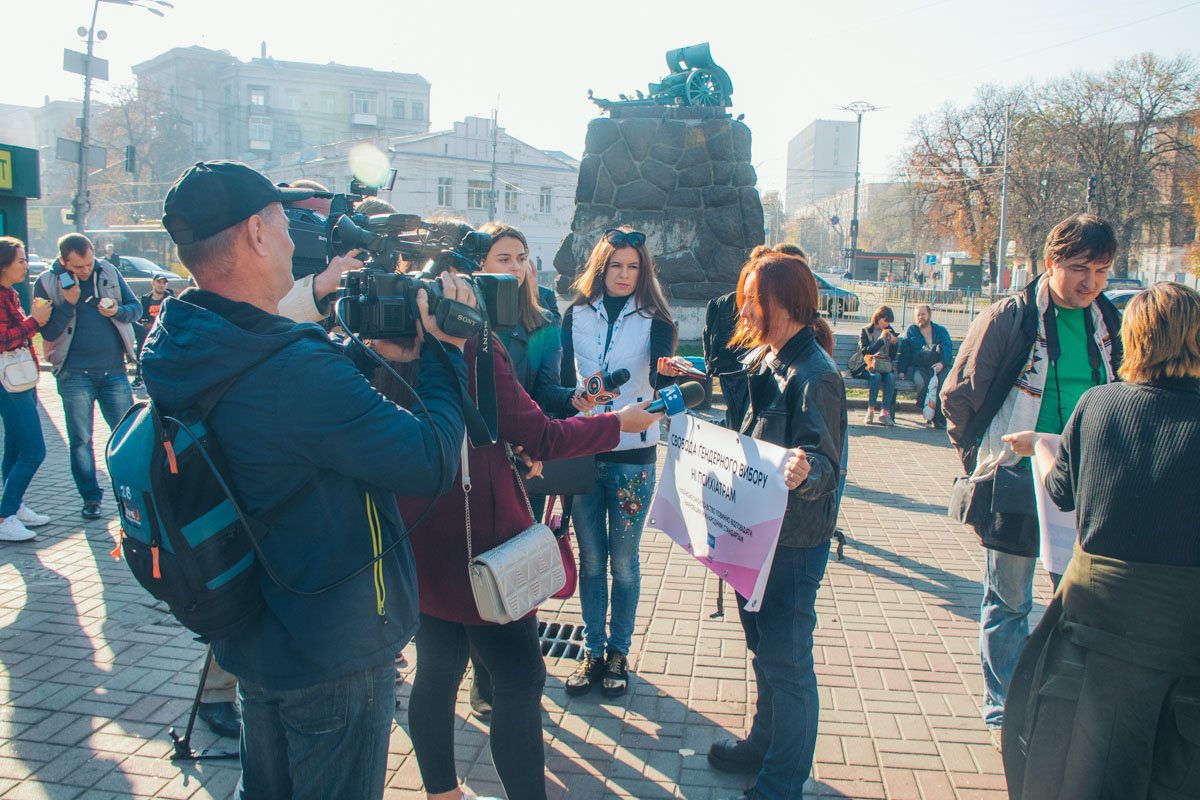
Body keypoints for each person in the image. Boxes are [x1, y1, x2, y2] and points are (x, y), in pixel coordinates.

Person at [142, 160, 471, 799]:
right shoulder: (289, 367)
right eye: (284, 224)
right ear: (256, 236)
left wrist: (365, 361)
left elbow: (287, 413)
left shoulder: (185, 338)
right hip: (332, 646)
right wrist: (445, 356)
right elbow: (428, 459)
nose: (297, 240)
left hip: (255, 628)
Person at [387, 330, 662, 800]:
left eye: (519, 257)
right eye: (505, 258)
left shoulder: (390, 332)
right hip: (483, 550)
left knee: (435, 672)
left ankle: (442, 792)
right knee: (519, 678)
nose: (518, 270)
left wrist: (510, 449)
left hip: (423, 540)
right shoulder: (472, 341)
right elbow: (542, 435)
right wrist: (620, 422)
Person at [997, 282, 1200, 798]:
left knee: (1089, 760)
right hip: (1184, 628)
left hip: (1097, 620)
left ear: (1134, 339)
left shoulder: (1099, 405)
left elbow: (1060, 491)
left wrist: (1044, 444)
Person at [940, 213, 1122, 743]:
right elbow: (958, 397)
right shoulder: (1011, 318)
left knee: (1078, 601)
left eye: (1102, 270)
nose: (1090, 282)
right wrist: (981, 459)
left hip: (1089, 480)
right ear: (1050, 263)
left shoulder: (1108, 321)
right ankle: (1004, 710)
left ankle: (1061, 704)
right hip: (1018, 479)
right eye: (1079, 268)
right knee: (1010, 599)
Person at [706, 249, 847, 800]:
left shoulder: (817, 374)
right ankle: (762, 745)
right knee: (765, 653)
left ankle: (782, 783)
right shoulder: (769, 359)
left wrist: (804, 470)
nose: (742, 311)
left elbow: (825, 467)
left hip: (792, 545)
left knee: (787, 665)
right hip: (755, 536)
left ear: (783, 304)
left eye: (750, 302)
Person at [561, 226, 684, 697]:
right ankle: (592, 651)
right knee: (591, 560)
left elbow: (660, 381)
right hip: (584, 448)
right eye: (616, 265)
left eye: (633, 267)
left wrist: (668, 383)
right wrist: (570, 401)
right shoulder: (575, 315)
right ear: (602, 266)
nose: (624, 275)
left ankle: (618, 653)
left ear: (643, 271)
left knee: (624, 563)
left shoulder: (658, 321)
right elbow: (558, 378)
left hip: (634, 455)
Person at [33, 233, 139, 520]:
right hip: (73, 375)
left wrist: (117, 310)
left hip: (114, 371)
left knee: (128, 435)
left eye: (89, 263)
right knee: (81, 440)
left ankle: (133, 491)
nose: (86, 270)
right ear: (64, 261)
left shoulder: (108, 271)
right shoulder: (45, 283)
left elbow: (135, 309)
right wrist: (68, 303)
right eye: (78, 267)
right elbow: (48, 332)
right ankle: (91, 497)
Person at [0, 238, 52, 542]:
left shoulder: (10, 294)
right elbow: (4, 341)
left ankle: (13, 505)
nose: (25, 265)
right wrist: (35, 321)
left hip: (21, 380)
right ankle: (5, 516)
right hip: (9, 384)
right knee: (34, 450)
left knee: (17, 448)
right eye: (20, 260)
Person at [275, 178, 366, 323]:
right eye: (313, 218)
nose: (324, 232)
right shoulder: (263, 268)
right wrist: (322, 284)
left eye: (328, 222)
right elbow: (261, 320)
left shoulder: (347, 263)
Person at [898, 304, 954, 428]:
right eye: (918, 315)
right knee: (921, 382)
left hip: (940, 366)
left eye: (923, 314)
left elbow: (948, 350)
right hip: (921, 367)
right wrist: (902, 370)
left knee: (942, 384)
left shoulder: (941, 331)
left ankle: (938, 418)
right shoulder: (911, 330)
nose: (920, 317)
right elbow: (905, 352)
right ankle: (929, 412)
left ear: (929, 315)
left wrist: (942, 363)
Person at [855, 305, 899, 426]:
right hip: (868, 366)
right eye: (885, 320)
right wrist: (880, 340)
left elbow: (892, 356)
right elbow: (865, 351)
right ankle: (871, 411)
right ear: (878, 317)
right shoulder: (866, 330)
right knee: (876, 377)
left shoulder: (890, 331)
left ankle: (885, 413)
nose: (887, 324)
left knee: (890, 377)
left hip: (884, 366)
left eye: (889, 321)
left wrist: (894, 344)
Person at [130, 274, 174, 390]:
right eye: (159, 282)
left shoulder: (170, 298)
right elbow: (141, 316)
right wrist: (145, 322)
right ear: (153, 283)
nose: (161, 285)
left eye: (164, 283)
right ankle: (139, 377)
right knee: (142, 342)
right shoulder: (145, 299)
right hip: (147, 332)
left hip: (164, 331)